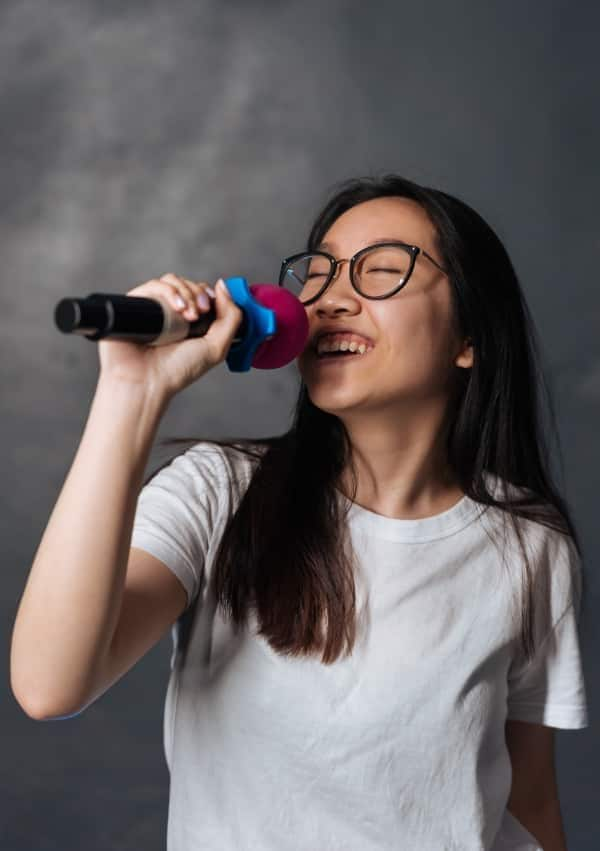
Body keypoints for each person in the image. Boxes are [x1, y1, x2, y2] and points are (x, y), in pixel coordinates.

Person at [11, 174, 588, 851]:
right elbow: (49, 684)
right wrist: (131, 393)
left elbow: (532, 798)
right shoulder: (219, 492)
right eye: (319, 273)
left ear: (469, 336)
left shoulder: (529, 544)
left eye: (380, 270)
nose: (331, 299)